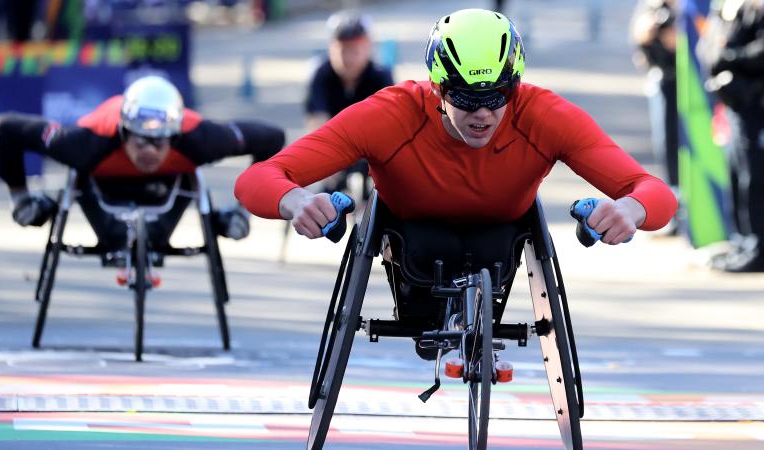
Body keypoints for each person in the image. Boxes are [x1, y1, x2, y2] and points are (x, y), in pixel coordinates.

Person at [235, 9, 677, 356]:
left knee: (491, 241)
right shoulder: (389, 114)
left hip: (501, 235)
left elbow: (651, 190)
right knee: (425, 246)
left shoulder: (544, 115)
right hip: (411, 238)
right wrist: (296, 201)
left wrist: (628, 210)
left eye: (497, 96)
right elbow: (259, 178)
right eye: (466, 97)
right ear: (437, 87)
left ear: (515, 85)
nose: (483, 113)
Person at [0, 75, 285, 247]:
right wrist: (20, 199)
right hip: (100, 179)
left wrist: (243, 210)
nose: (149, 150)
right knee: (78, 175)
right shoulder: (84, 143)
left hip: (171, 183)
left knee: (191, 186)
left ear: (175, 135)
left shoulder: (199, 138)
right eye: (140, 140)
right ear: (123, 132)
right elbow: (6, 126)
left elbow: (272, 138)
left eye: (160, 142)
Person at [702, 0, 764, 272]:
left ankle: (757, 247)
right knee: (739, 174)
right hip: (737, 106)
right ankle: (743, 242)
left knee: (755, 178)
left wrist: (729, 56)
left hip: (756, 105)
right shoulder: (734, 7)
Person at [305, 9, 394, 199]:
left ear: (368, 48)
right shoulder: (321, 74)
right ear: (331, 48)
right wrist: (325, 159)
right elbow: (316, 119)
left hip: (371, 149)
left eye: (355, 50)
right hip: (334, 148)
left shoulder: (380, 76)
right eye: (342, 50)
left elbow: (390, 124)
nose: (348, 58)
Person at [631, 0, 679, 232]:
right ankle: (675, 205)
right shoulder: (652, 5)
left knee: (681, 146)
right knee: (667, 145)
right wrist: (645, 32)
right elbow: (638, 35)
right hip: (662, 80)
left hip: (689, 86)